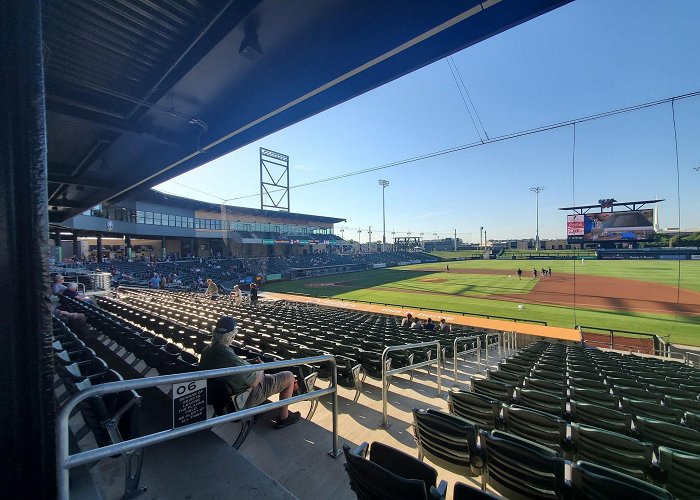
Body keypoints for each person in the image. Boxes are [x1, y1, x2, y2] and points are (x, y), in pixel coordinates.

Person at [199, 317, 300, 428]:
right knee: (289, 376)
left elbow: (230, 365)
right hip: (242, 398)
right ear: (231, 336)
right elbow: (254, 382)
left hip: (224, 398)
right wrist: (261, 367)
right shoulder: (226, 355)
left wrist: (247, 362)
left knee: (268, 376)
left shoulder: (207, 351)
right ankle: (283, 418)